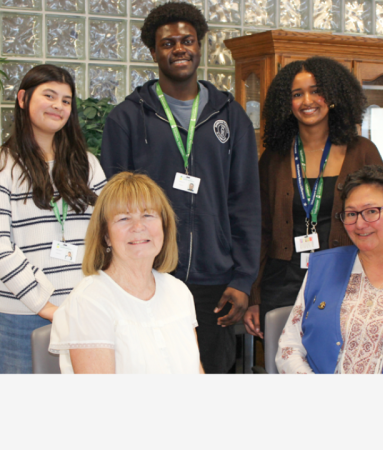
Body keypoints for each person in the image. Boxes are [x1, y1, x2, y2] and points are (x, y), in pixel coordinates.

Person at [99, 2, 260, 373]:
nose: (179, 49)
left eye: (187, 40)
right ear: (154, 52)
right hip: (147, 276)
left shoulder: (230, 116)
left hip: (215, 282)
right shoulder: (126, 117)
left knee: (210, 377)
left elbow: (245, 201)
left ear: (200, 46)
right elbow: (112, 206)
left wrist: (242, 279)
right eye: (168, 43)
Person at [244, 57, 383, 339]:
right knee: (285, 364)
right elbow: (260, 230)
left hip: (345, 276)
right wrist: (254, 296)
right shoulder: (274, 158)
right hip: (282, 281)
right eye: (297, 94)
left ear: (332, 96)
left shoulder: (363, 152)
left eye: (316, 90)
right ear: (288, 103)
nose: (307, 100)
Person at [276, 166, 383, 374]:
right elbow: (289, 348)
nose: (359, 224)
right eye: (351, 214)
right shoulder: (323, 267)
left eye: (371, 212)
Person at [0, 65, 106, 373]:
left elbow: (106, 228)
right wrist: (45, 306)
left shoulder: (87, 164)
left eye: (66, 100)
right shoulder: (5, 165)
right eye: (49, 95)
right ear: (23, 99)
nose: (58, 106)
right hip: (21, 315)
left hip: (81, 310)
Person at [50, 172, 202, 374]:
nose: (138, 227)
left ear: (164, 227)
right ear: (106, 236)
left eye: (148, 215)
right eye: (123, 218)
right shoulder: (89, 302)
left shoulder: (179, 292)